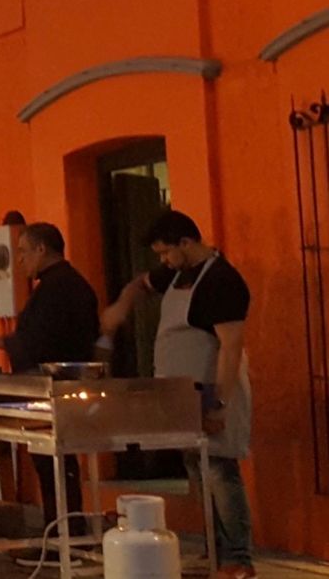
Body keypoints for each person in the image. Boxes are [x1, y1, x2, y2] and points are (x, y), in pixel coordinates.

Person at [100, 211, 255, 577]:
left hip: (214, 388)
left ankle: (238, 558)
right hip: (181, 393)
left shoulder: (221, 281)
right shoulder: (177, 273)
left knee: (220, 471)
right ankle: (214, 551)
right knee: (197, 471)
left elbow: (230, 348)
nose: (163, 262)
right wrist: (122, 305)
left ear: (187, 243)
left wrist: (219, 404)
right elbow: (140, 284)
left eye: (167, 252)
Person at [0, 221, 99, 550]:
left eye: (23, 251)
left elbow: (39, 341)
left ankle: (66, 535)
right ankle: (64, 532)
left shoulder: (59, 288)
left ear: (42, 249)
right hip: (56, 386)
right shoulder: (66, 285)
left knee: (55, 464)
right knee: (53, 464)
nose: (19, 260)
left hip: (52, 386)